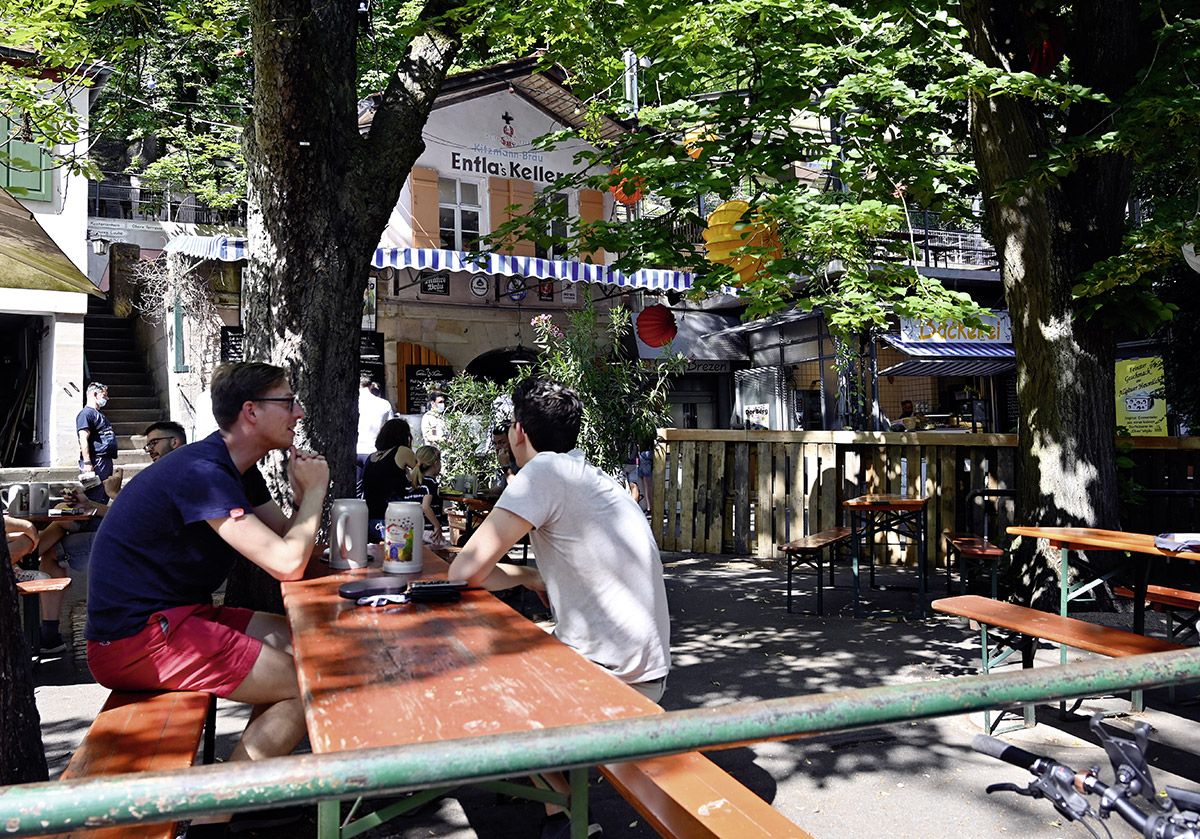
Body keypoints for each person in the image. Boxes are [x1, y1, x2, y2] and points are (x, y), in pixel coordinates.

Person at [84, 361, 328, 828]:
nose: (298, 412)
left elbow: (293, 550)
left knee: (312, 648)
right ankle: (218, 816)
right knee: (308, 683)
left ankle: (252, 784)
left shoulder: (238, 468)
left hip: (180, 618)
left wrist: (310, 514)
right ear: (251, 411)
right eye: (288, 402)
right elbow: (285, 564)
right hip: (135, 641)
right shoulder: (203, 471)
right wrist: (314, 495)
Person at [448, 378, 670, 839]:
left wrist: (497, 571)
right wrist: (530, 577)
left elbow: (462, 573)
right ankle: (545, 784)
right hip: (646, 667)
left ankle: (566, 816)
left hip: (612, 677)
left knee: (482, 678)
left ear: (518, 432)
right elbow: (481, 572)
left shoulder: (542, 473)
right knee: (514, 655)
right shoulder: (584, 475)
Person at [34, 421, 187, 654]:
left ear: (174, 442)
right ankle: (47, 632)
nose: (150, 451)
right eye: (147, 447)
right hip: (135, 538)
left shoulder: (179, 472)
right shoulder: (169, 470)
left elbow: (143, 520)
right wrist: (89, 504)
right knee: (65, 515)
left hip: (139, 547)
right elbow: (136, 512)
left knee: (52, 549)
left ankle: (21, 558)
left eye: (154, 443)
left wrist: (114, 495)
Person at [360, 418, 418, 538]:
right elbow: (423, 472)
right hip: (393, 521)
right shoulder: (402, 451)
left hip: (368, 520)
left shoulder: (371, 457)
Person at [77, 382, 118, 504]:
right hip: (96, 461)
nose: (107, 399)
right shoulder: (86, 414)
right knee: (94, 496)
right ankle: (92, 522)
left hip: (104, 460)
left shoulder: (98, 414)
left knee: (103, 495)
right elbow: (83, 438)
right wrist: (88, 462)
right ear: (95, 394)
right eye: (105, 396)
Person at [402, 445, 447, 547]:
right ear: (436, 464)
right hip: (428, 532)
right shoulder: (430, 483)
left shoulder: (411, 484)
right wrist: (437, 526)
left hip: (412, 532)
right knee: (449, 554)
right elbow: (425, 507)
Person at [355, 374, 394, 490]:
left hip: (355, 450)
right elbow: (390, 428)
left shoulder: (351, 403)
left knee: (355, 488)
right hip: (374, 451)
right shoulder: (384, 404)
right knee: (373, 489)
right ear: (371, 385)